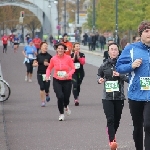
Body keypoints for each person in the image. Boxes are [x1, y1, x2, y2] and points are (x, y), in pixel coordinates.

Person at [116, 20, 150, 150]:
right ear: (141, 33)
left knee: (148, 125)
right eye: (146, 31)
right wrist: (131, 66)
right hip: (135, 94)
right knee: (137, 127)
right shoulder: (131, 49)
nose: (149, 33)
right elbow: (119, 67)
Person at [97, 43, 128, 150]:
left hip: (119, 97)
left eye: (115, 49)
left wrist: (120, 75)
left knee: (117, 120)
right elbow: (99, 75)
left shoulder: (123, 65)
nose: (114, 51)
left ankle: (111, 133)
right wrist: (99, 80)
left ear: (118, 52)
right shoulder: (104, 65)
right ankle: (112, 141)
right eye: (112, 49)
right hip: (107, 97)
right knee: (110, 119)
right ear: (108, 52)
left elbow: (129, 78)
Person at [46, 43, 75, 121]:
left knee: (66, 97)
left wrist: (68, 74)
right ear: (56, 49)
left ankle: (66, 106)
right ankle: (61, 114)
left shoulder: (68, 58)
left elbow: (73, 69)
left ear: (64, 50)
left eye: (62, 49)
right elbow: (49, 68)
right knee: (60, 96)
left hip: (67, 80)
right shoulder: (53, 59)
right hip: (57, 80)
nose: (60, 50)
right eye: (59, 48)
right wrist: (47, 76)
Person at [33, 42, 52, 107]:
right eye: (44, 46)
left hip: (47, 74)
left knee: (46, 88)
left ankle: (47, 94)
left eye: (46, 46)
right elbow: (34, 63)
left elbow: (53, 65)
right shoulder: (38, 56)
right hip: (40, 74)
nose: (46, 47)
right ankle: (43, 101)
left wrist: (48, 64)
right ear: (41, 47)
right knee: (42, 87)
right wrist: (35, 64)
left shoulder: (49, 56)